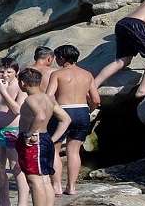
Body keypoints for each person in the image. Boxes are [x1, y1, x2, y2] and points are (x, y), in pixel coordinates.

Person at [46, 45, 101, 196]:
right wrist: (88, 111)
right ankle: (71, 187)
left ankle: (56, 186)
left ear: (62, 58)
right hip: (82, 111)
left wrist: (55, 110)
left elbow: (49, 95)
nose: (56, 60)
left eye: (57, 57)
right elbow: (96, 99)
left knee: (54, 149)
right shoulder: (87, 74)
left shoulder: (57, 74)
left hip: (62, 111)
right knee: (74, 151)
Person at [17, 68, 71, 206]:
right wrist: (53, 139)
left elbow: (40, 116)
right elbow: (66, 119)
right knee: (45, 179)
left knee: (34, 181)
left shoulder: (30, 99)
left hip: (34, 143)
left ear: (23, 83)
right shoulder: (49, 98)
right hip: (45, 138)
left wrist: (29, 134)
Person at [0, 57, 29, 206]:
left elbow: (17, 109)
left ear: (16, 72)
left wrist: (4, 91)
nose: (4, 75)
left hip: (14, 131)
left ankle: (22, 203)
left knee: (16, 167)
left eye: (9, 72)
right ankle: (3, 202)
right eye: (1, 72)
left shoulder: (21, 86)